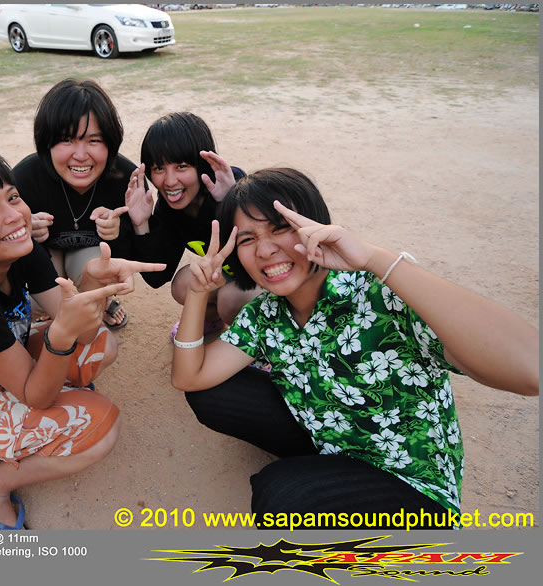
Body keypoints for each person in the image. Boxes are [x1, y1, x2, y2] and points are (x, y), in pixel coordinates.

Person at [170, 168, 539, 528]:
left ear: (314, 225)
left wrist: (377, 259)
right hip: (332, 440)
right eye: (248, 239)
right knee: (212, 394)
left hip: (412, 483)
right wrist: (199, 294)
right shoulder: (266, 314)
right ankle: (323, 473)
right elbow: (189, 376)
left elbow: (531, 368)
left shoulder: (380, 293)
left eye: (280, 227)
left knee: (280, 496)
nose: (265, 250)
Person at [0, 145, 164, 529]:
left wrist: (91, 283)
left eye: (12, 197)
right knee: (100, 427)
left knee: (101, 345)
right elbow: (37, 393)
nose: (15, 215)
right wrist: (59, 337)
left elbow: (86, 332)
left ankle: (28, 425)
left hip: (3, 368)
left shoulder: (21, 251)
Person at [13, 79, 140, 329]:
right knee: (37, 302)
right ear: (46, 142)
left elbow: (138, 248)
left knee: (100, 271)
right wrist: (24, 229)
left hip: (89, 254)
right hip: (45, 255)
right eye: (66, 140)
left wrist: (119, 231)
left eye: (94, 141)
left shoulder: (126, 178)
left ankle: (102, 302)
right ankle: (51, 307)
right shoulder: (24, 178)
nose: (80, 155)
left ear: (110, 143)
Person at [125, 112, 255, 336]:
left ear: (203, 163)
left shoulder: (230, 182)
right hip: (228, 275)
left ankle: (266, 338)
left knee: (230, 299)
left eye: (182, 166)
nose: (169, 181)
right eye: (159, 169)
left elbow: (263, 246)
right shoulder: (169, 208)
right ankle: (212, 320)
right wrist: (142, 224)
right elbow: (158, 277)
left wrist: (229, 203)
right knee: (183, 285)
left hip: (264, 278)